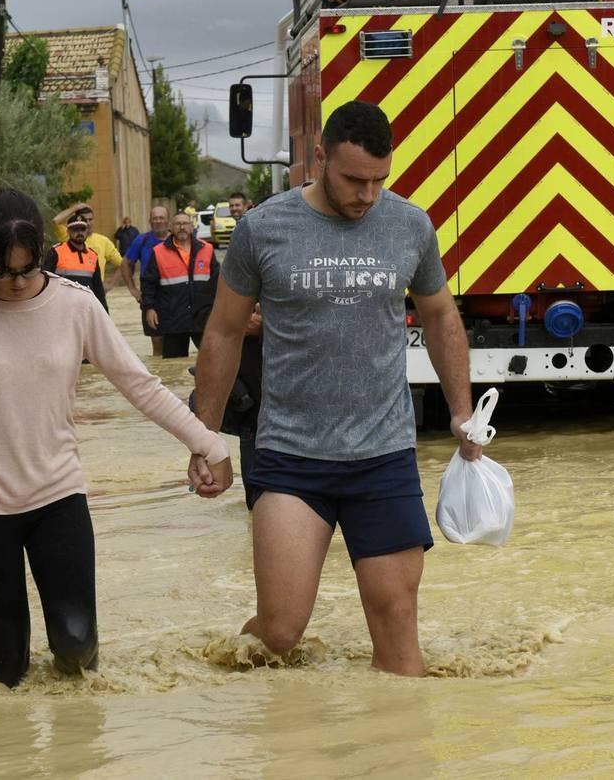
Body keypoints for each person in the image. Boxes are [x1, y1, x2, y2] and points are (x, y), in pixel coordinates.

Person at [0, 188, 230, 688]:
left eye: (28, 269)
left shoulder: (77, 305)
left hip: (57, 499)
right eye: (4, 272)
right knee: (6, 672)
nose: (18, 282)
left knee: (75, 647)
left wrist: (208, 443)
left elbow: (139, 384)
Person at [188, 100, 483, 677]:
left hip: (383, 456)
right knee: (279, 633)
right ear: (319, 157)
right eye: (353, 179)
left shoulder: (409, 224)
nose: (367, 195)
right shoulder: (264, 228)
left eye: (380, 180)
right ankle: (228, 677)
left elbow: (442, 315)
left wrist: (461, 412)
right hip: (290, 456)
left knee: (399, 636)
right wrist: (205, 439)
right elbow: (223, 331)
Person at [141, 211, 218, 358]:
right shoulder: (158, 252)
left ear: (191, 227)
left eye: (185, 223)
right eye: (177, 224)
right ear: (170, 227)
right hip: (173, 319)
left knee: (212, 360)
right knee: (172, 364)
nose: (181, 227)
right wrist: (150, 308)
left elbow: (218, 281)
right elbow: (148, 284)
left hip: (203, 318)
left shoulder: (207, 249)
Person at [120, 205, 172, 356]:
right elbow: (125, 263)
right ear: (150, 221)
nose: (158, 221)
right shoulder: (142, 240)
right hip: (151, 296)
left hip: (175, 295)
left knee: (175, 340)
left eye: (161, 218)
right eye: (155, 218)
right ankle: (160, 371)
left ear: (168, 221)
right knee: (157, 342)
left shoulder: (177, 239)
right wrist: (133, 289)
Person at [44, 214, 108, 311]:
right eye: (75, 230)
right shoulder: (56, 251)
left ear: (87, 231)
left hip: (86, 310)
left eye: (82, 229)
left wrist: (104, 313)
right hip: (62, 309)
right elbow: (45, 283)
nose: (79, 233)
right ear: (68, 232)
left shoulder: (93, 255)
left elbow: (98, 289)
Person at [52, 201, 122, 283]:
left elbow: (123, 265)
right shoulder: (68, 236)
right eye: (85, 219)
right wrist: (75, 208)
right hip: (72, 290)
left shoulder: (104, 241)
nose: (88, 223)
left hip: (95, 291)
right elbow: (55, 221)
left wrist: (110, 284)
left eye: (90, 219)